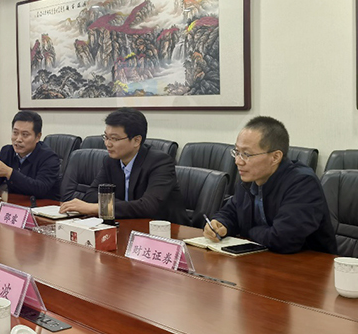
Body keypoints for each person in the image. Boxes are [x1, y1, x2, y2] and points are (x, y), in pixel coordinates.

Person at [204, 116, 337, 254]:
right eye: (237, 152)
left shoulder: (302, 184)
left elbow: (283, 239)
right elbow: (232, 212)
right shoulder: (249, 179)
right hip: (260, 259)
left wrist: (250, 231)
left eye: (246, 154)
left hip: (306, 264)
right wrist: (220, 223)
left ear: (275, 157)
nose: (238, 161)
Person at [60, 108, 189, 224]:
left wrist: (100, 208)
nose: (107, 144)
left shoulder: (160, 162)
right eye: (106, 137)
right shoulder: (111, 161)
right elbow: (92, 195)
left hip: (165, 232)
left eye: (114, 139)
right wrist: (126, 206)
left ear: (136, 140)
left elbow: (148, 207)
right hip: (126, 225)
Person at [0, 111, 61, 200]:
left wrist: (10, 173)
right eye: (15, 133)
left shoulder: (49, 158)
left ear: (38, 137)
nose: (18, 139)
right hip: (15, 205)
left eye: (25, 135)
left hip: (43, 207)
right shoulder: (7, 152)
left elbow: (41, 189)